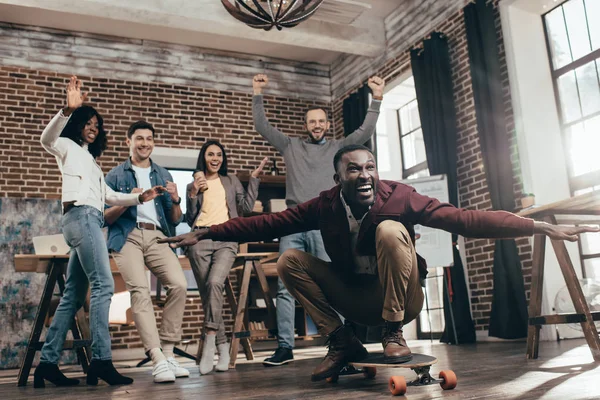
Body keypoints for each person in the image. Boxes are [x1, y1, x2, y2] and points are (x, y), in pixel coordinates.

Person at [160, 144, 598, 381]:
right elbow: (269, 222)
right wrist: (208, 231)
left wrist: (534, 226)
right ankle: (342, 342)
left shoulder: (400, 196)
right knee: (291, 258)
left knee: (391, 230)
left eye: (370, 166)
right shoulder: (325, 205)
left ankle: (392, 333)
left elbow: (464, 220)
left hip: (400, 301)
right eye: (354, 170)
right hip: (355, 299)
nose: (365, 175)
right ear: (339, 178)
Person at [35, 76, 165, 388]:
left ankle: (47, 364)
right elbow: (45, 139)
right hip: (80, 218)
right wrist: (67, 110)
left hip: (91, 220)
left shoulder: (92, 161)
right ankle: (102, 361)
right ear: (77, 123)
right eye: (88, 122)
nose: (93, 127)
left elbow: (107, 195)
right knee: (104, 285)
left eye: (97, 124)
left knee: (73, 295)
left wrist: (139, 198)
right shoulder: (65, 146)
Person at [252, 73, 385, 366]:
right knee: (286, 287)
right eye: (312, 121)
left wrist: (376, 98)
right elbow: (262, 126)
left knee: (334, 283)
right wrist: (257, 91)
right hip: (294, 223)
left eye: (321, 121)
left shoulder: (339, 148)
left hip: (327, 223)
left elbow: (363, 133)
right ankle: (285, 347)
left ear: (327, 124)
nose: (317, 125)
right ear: (305, 125)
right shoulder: (290, 146)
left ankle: (342, 344)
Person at [103, 120, 190, 384]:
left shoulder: (164, 173)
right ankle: (156, 358)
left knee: (179, 285)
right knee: (140, 292)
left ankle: (168, 352)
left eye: (149, 138)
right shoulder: (115, 175)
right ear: (128, 141)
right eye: (139, 138)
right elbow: (105, 218)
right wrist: (132, 198)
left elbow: (174, 219)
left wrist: (175, 199)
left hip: (157, 235)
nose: (145, 143)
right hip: (127, 235)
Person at [185, 140, 268, 374]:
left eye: (219, 155)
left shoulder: (230, 180)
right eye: (210, 154)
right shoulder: (194, 184)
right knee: (208, 294)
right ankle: (222, 344)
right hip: (199, 239)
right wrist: (193, 193)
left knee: (214, 283)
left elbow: (244, 208)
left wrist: (253, 179)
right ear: (204, 157)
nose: (215, 158)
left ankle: (211, 341)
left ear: (223, 158)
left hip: (227, 238)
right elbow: (190, 217)